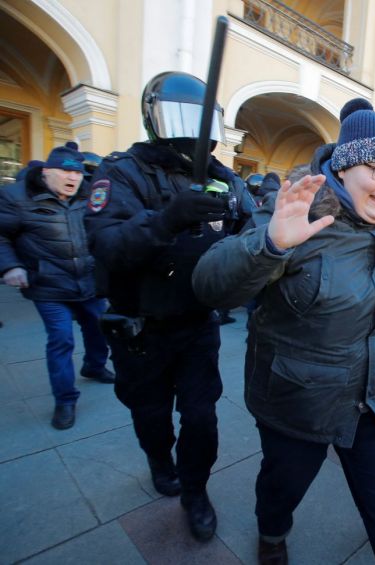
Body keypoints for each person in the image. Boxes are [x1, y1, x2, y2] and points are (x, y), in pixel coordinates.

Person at [192, 98, 375, 564]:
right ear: (344, 168)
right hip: (300, 398)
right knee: (282, 487)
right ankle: (272, 534)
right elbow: (210, 286)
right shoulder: (297, 211)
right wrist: (270, 245)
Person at [84, 72, 250, 542]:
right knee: (151, 413)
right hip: (142, 329)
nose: (191, 130)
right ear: (154, 119)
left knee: (202, 417)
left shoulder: (226, 180)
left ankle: (196, 491)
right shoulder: (122, 172)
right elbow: (108, 245)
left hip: (198, 324)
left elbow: (249, 235)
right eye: (179, 117)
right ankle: (159, 459)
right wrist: (168, 219)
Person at [0, 144, 113, 430]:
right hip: (48, 285)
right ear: (47, 171)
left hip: (87, 281)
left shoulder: (91, 196)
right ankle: (65, 400)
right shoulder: (17, 198)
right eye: (65, 170)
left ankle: (95, 366)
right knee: (61, 339)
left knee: (100, 327)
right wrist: (10, 266)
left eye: (77, 171)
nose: (73, 177)